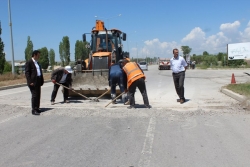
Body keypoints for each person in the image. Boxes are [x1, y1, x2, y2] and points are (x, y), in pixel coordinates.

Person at [25, 50, 44, 115]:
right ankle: (33, 110)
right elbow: (27, 73)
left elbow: (39, 72)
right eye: (38, 55)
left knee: (38, 95)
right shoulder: (29, 62)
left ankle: (37, 108)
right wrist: (30, 81)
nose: (39, 56)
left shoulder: (37, 62)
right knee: (34, 95)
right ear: (35, 55)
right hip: (33, 82)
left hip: (38, 80)